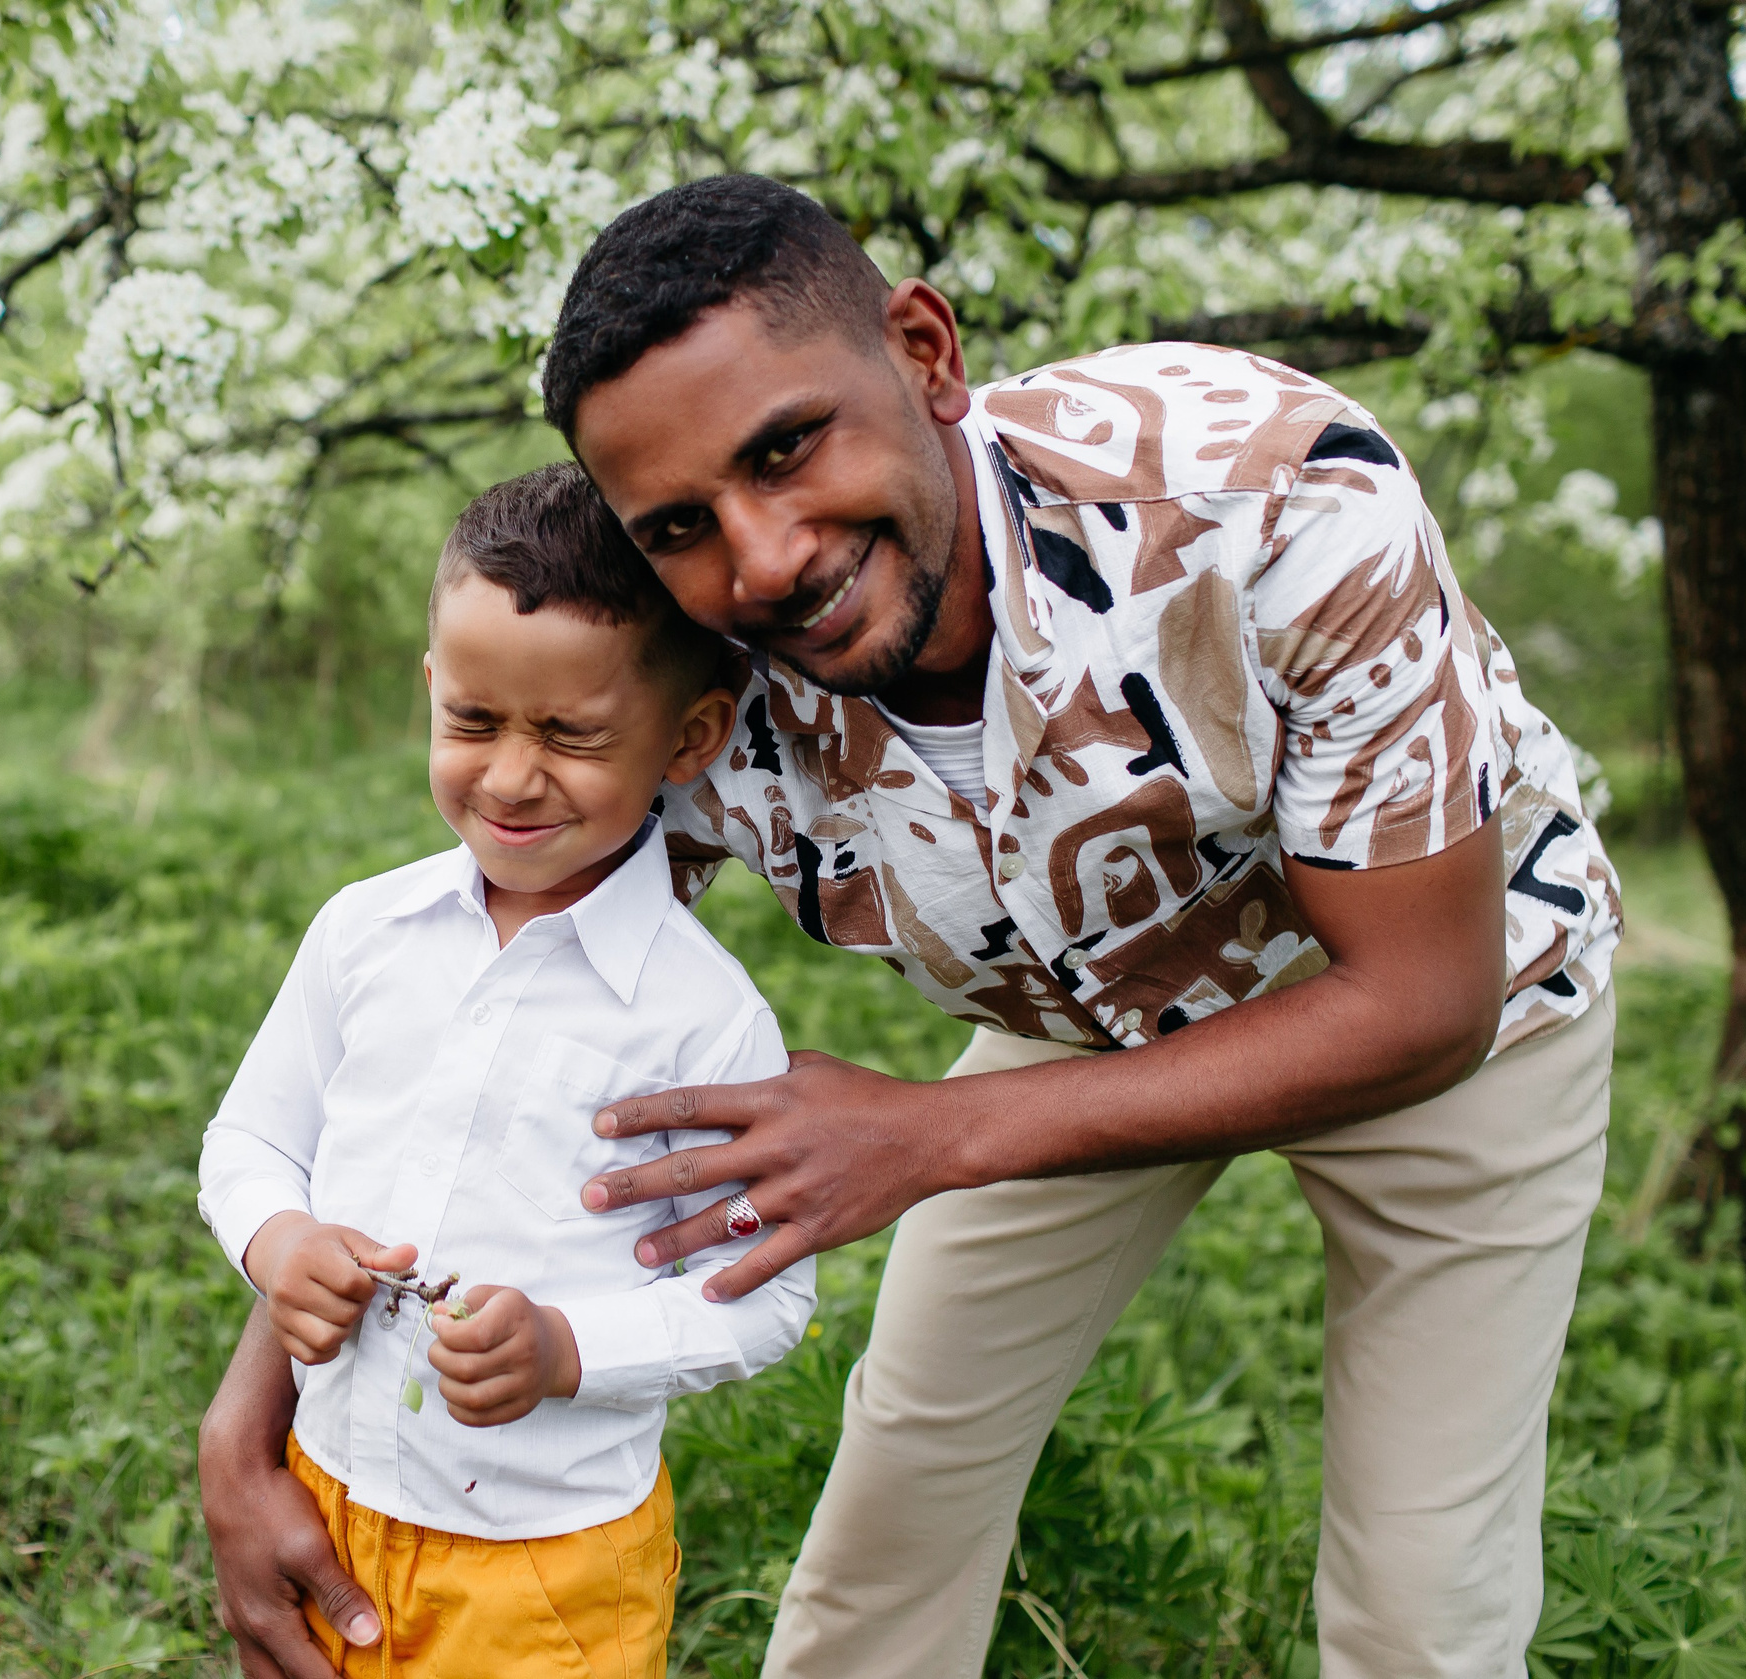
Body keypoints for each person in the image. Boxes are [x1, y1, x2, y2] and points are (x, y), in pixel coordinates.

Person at [204, 173, 1620, 1679]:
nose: (765, 558)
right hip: (1073, 1011)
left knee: (1421, 1588)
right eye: (681, 522)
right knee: (900, 1492)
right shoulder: (692, 671)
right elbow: (456, 1039)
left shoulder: (1278, 500)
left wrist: (930, 1137)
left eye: (787, 447)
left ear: (926, 352)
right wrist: (252, 1418)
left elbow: (1422, 1000)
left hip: (1451, 1004)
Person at [196, 462, 815, 1679]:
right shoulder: (364, 932)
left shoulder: (701, 1019)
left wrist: (568, 1348)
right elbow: (251, 1138)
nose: (512, 776)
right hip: (331, 1488)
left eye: (570, 734)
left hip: (546, 1569)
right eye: (473, 721)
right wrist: (278, 1240)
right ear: (431, 686)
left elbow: (764, 1297)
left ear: (689, 736)